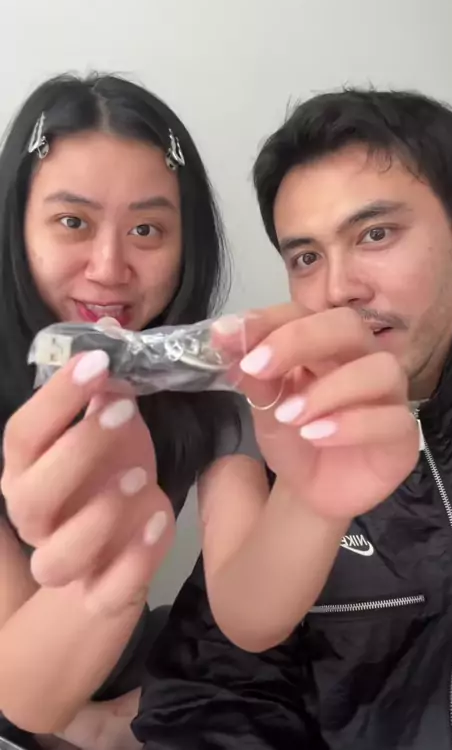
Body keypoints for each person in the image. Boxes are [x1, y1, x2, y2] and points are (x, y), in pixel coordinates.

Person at [133, 88, 452, 750]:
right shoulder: (282, 434)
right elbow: (210, 695)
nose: (339, 289)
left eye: (375, 234)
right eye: (307, 257)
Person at [0, 72, 261, 750]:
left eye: (146, 229)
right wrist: (83, 727)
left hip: (135, 678)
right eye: (73, 222)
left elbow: (251, 612)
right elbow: (18, 688)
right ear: (16, 227)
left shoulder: (212, 404)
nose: (110, 267)